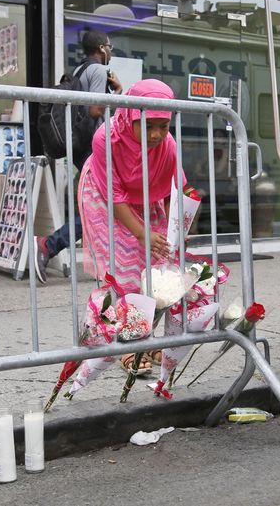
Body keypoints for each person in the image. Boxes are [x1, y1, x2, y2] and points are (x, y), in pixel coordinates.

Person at [80, 79, 185, 374]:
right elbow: (115, 196)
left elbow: (178, 195)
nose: (156, 134)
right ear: (130, 114)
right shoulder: (106, 139)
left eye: (163, 126)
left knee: (155, 266)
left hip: (145, 196)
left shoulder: (168, 146)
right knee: (122, 268)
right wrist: (141, 233)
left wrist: (177, 232)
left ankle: (141, 337)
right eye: (148, 125)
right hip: (104, 196)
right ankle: (126, 346)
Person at [33, 29, 122, 282]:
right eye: (110, 48)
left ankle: (111, 263)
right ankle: (49, 245)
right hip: (92, 148)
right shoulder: (97, 71)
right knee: (106, 208)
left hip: (82, 146)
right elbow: (95, 110)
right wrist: (118, 94)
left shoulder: (81, 71)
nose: (110, 53)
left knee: (106, 206)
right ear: (102, 48)